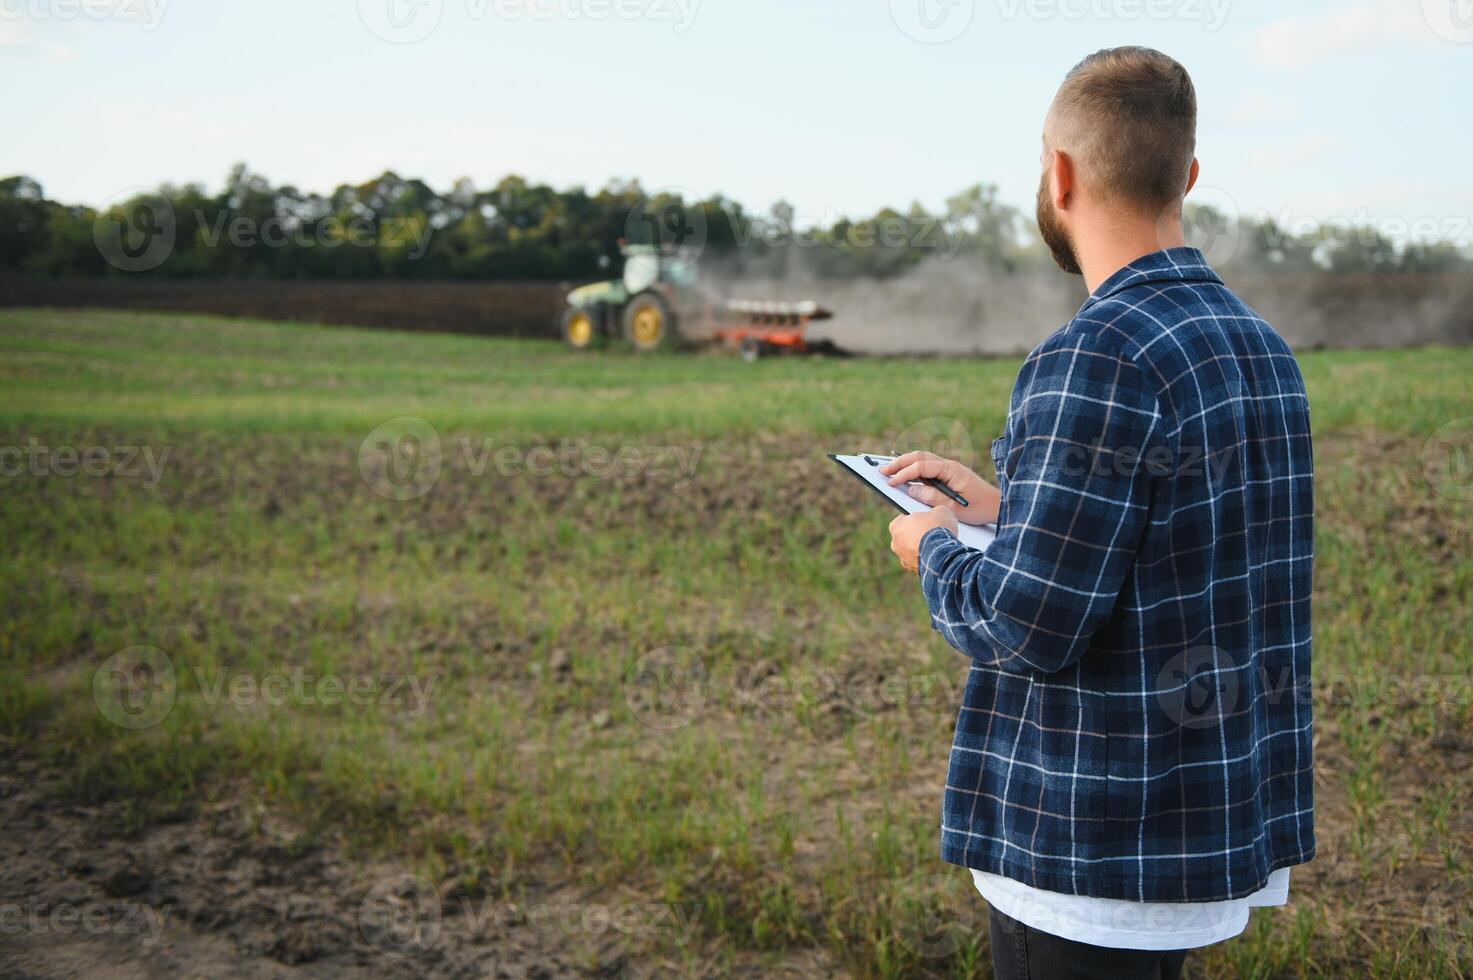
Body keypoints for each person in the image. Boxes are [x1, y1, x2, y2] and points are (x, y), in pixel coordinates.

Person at [884, 47, 1314, 980]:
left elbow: (1024, 623)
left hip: (1089, 852)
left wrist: (934, 546)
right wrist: (1010, 510)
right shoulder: (1261, 349)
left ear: (1060, 174)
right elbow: (1172, 542)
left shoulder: (1093, 353)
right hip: (1196, 828)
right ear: (1187, 174)